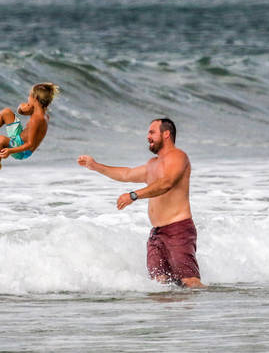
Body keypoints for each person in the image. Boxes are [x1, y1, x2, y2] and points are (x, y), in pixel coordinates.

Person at [77, 118, 203, 288]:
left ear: (166, 134)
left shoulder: (178, 156)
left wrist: (134, 195)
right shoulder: (152, 164)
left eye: (152, 132)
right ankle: (170, 315)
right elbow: (126, 174)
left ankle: (213, 309)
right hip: (156, 234)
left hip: (177, 229)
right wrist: (96, 166)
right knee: (161, 285)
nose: (148, 136)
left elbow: (167, 183)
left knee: (189, 281)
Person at [0, 82, 59, 173]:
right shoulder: (42, 114)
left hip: (23, 151)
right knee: (6, 112)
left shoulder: (36, 119)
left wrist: (10, 150)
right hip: (20, 139)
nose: (27, 98)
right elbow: (21, 112)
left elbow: (30, 144)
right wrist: (21, 108)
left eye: (29, 96)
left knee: (0, 140)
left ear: (35, 98)